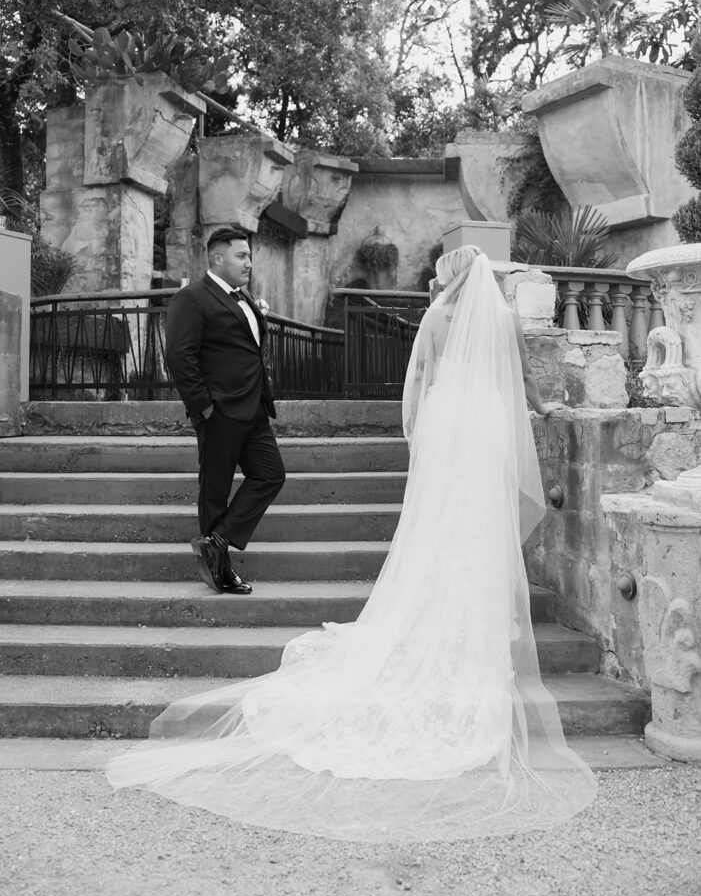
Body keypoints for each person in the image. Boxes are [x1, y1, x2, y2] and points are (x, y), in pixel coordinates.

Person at [107, 245, 596, 841]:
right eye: (240, 254)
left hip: (449, 421)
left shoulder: (438, 319)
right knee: (479, 515)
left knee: (442, 517)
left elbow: (419, 383)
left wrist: (423, 432)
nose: (246, 262)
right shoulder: (500, 319)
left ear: (450, 279)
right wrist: (545, 410)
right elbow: (521, 379)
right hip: (488, 420)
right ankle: (221, 549)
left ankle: (223, 545)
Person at [164, 226, 285, 595]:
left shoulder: (242, 298)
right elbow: (179, 356)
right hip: (219, 411)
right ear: (217, 258)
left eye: (249, 256)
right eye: (241, 255)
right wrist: (204, 407)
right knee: (215, 491)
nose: (249, 262)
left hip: (254, 409)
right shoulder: (193, 298)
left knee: (271, 475)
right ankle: (221, 571)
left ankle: (216, 541)